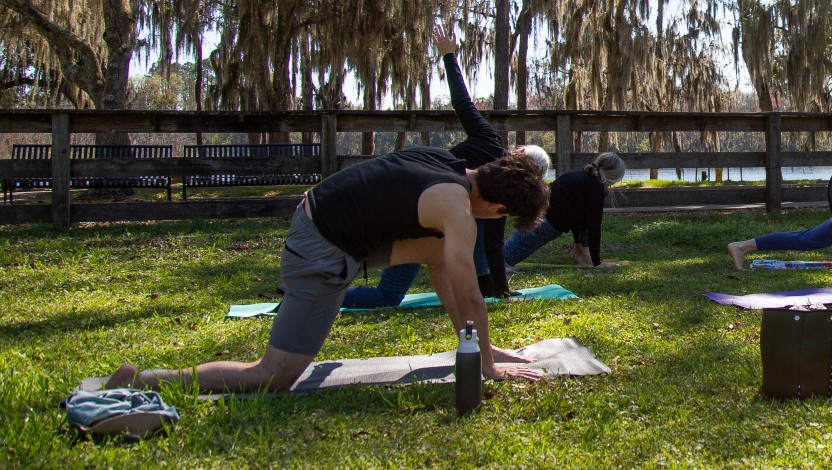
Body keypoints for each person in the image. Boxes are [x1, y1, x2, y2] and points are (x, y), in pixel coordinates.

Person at [103, 24, 551, 392]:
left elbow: (442, 268)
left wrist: (479, 347)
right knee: (273, 376)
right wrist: (488, 366)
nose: (495, 222)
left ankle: (471, 348)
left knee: (436, 252)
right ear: (496, 205)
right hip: (320, 248)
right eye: (502, 217)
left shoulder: (444, 161)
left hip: (331, 227)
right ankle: (143, 380)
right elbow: (471, 295)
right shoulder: (457, 209)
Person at [336, 150, 550, 310]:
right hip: (354, 228)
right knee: (385, 294)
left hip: (390, 224)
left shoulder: (473, 172)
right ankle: (330, 292)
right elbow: (481, 259)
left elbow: (445, 267)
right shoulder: (463, 200)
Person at [501, 152, 626, 269]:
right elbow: (594, 227)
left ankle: (496, 262)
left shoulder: (585, 177)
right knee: (509, 255)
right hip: (546, 220)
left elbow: (581, 220)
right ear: (613, 176)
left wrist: (578, 244)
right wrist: (597, 263)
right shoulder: (596, 187)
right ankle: (495, 265)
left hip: (542, 213)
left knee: (513, 248)